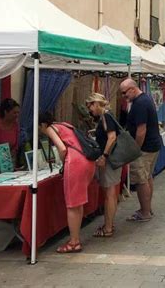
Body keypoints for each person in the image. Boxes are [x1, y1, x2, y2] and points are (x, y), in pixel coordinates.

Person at [39, 112, 95, 253]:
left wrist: (63, 161)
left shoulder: (51, 129)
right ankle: (75, 238)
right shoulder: (65, 124)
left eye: (40, 128)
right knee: (78, 202)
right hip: (87, 161)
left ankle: (74, 242)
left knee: (71, 204)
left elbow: (62, 148)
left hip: (75, 162)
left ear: (43, 124)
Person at [120, 78, 162, 222]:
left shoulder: (140, 104)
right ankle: (147, 208)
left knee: (141, 180)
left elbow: (141, 130)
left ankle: (145, 212)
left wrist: (135, 150)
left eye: (125, 93)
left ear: (132, 89)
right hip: (152, 145)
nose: (124, 97)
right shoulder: (144, 100)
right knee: (147, 176)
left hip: (145, 148)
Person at [86, 93, 121, 238]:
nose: (90, 110)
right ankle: (109, 224)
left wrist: (104, 156)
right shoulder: (106, 116)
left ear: (96, 103)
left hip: (110, 159)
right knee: (110, 193)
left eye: (90, 106)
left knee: (109, 194)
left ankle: (108, 228)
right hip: (112, 158)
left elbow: (112, 137)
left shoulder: (106, 116)